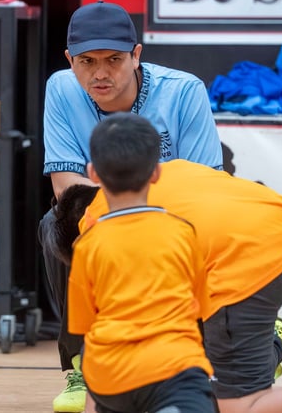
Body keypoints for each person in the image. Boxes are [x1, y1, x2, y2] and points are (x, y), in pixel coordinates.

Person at [53, 159, 282, 412]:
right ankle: (266, 336)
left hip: (246, 269)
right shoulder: (163, 171)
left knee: (239, 404)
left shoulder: (101, 227)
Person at [41, 0, 223, 412]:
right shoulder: (61, 88)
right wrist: (123, 219)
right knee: (53, 223)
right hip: (102, 213)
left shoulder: (184, 90)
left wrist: (142, 217)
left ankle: (229, 337)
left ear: (137, 55)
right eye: (86, 61)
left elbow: (206, 189)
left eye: (114, 59)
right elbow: (68, 187)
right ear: (70, 59)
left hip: (179, 214)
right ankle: (79, 364)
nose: (100, 73)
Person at [67, 112, 215, 413]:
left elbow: (83, 323)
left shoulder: (87, 245)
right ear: (157, 173)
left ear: (93, 174)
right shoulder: (183, 232)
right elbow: (201, 305)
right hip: (174, 369)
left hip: (109, 378)